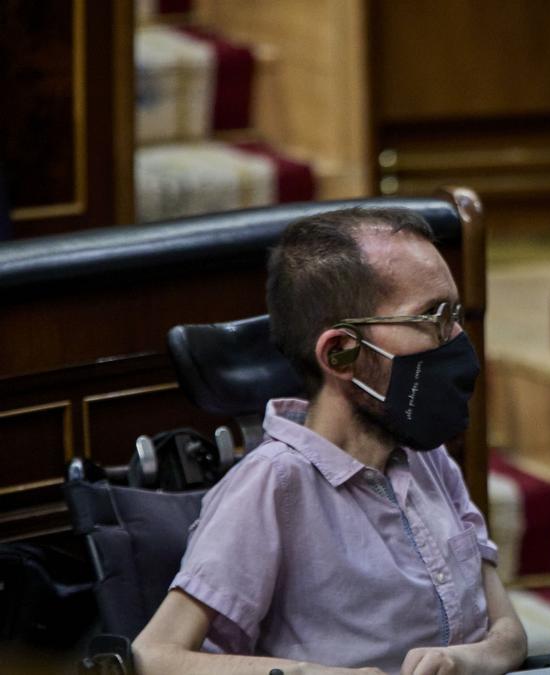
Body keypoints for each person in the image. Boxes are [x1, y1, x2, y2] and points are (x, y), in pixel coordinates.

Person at [133, 208, 527, 675]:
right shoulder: (271, 484)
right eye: (432, 318)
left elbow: (509, 634)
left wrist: (465, 660)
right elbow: (153, 656)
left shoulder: (429, 457)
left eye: (455, 314)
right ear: (341, 353)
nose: (458, 339)